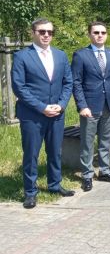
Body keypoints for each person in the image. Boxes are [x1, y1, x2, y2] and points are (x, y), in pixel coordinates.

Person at [11, 18, 74, 209]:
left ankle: (54, 185)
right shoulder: (22, 56)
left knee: (55, 151)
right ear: (33, 33)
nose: (46, 35)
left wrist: (61, 105)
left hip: (57, 113)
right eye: (42, 31)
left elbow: (68, 82)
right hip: (32, 115)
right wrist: (41, 107)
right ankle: (30, 192)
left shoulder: (60, 55)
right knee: (31, 154)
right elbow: (19, 87)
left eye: (50, 32)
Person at [72, 21, 110, 192]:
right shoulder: (81, 55)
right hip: (90, 107)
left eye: (103, 32)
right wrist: (82, 105)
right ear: (89, 34)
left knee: (105, 140)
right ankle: (87, 175)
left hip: (109, 105)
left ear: (106, 35)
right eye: (96, 32)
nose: (100, 35)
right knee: (87, 142)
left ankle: (104, 171)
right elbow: (76, 82)